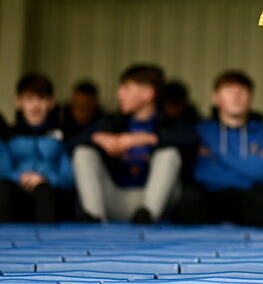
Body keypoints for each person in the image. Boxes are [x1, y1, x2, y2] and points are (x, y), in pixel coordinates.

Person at [71, 64, 196, 223]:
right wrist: (97, 137)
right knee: (83, 152)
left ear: (147, 93)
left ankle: (148, 216)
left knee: (169, 154)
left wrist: (147, 138)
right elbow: (68, 143)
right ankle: (94, 217)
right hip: (115, 199)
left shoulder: (169, 123)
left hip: (154, 203)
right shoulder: (113, 123)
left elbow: (192, 140)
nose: (119, 94)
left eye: (126, 88)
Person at [185, 71, 263, 226]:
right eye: (229, 90)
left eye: (242, 91)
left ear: (251, 99)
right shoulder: (201, 130)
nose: (236, 96)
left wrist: (216, 155)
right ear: (215, 98)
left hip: (249, 196)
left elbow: (262, 172)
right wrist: (247, 164)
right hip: (210, 195)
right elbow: (200, 173)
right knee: (189, 196)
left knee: (261, 198)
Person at [0, 74, 75, 223]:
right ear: (19, 101)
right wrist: (20, 177)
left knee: (43, 191)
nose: (35, 105)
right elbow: (3, 171)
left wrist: (45, 179)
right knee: (4, 188)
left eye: (41, 98)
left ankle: (47, 242)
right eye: (29, 98)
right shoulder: (8, 137)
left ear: (51, 103)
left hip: (51, 198)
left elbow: (69, 180)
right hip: (16, 196)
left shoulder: (62, 138)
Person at [60, 81, 102, 148]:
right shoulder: (62, 120)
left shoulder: (101, 124)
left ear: (95, 106)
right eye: (77, 106)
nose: (80, 112)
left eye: (86, 107)